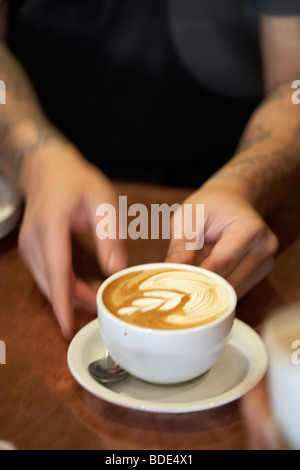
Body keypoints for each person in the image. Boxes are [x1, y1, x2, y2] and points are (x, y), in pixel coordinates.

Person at [0, 0, 299, 339]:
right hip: (57, 199)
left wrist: (243, 184)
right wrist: (36, 156)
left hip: (226, 203)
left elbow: (294, 86)